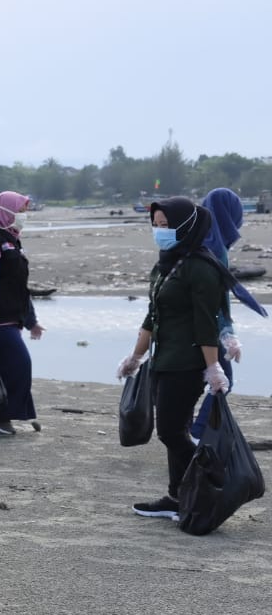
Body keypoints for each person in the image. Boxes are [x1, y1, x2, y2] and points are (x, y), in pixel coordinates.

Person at [116, 197, 233, 520]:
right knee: (175, 430)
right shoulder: (166, 265)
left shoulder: (201, 267)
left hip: (187, 363)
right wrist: (135, 357)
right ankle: (178, 496)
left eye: (166, 225)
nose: (159, 231)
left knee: (170, 431)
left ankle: (218, 480)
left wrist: (213, 367)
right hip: (163, 361)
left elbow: (206, 323)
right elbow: (152, 316)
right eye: (156, 224)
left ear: (186, 226)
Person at [190, 187, 266, 436]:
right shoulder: (215, 246)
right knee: (223, 381)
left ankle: (190, 428)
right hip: (205, 327)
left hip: (183, 323)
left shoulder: (193, 236)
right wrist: (227, 333)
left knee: (194, 381)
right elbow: (217, 296)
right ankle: (199, 431)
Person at [0, 191, 44, 435]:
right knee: (18, 364)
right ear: (6, 212)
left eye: (25, 211)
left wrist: (32, 322)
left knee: (9, 369)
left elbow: (20, 288)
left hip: (11, 320)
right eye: (21, 210)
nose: (24, 216)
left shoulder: (13, 242)